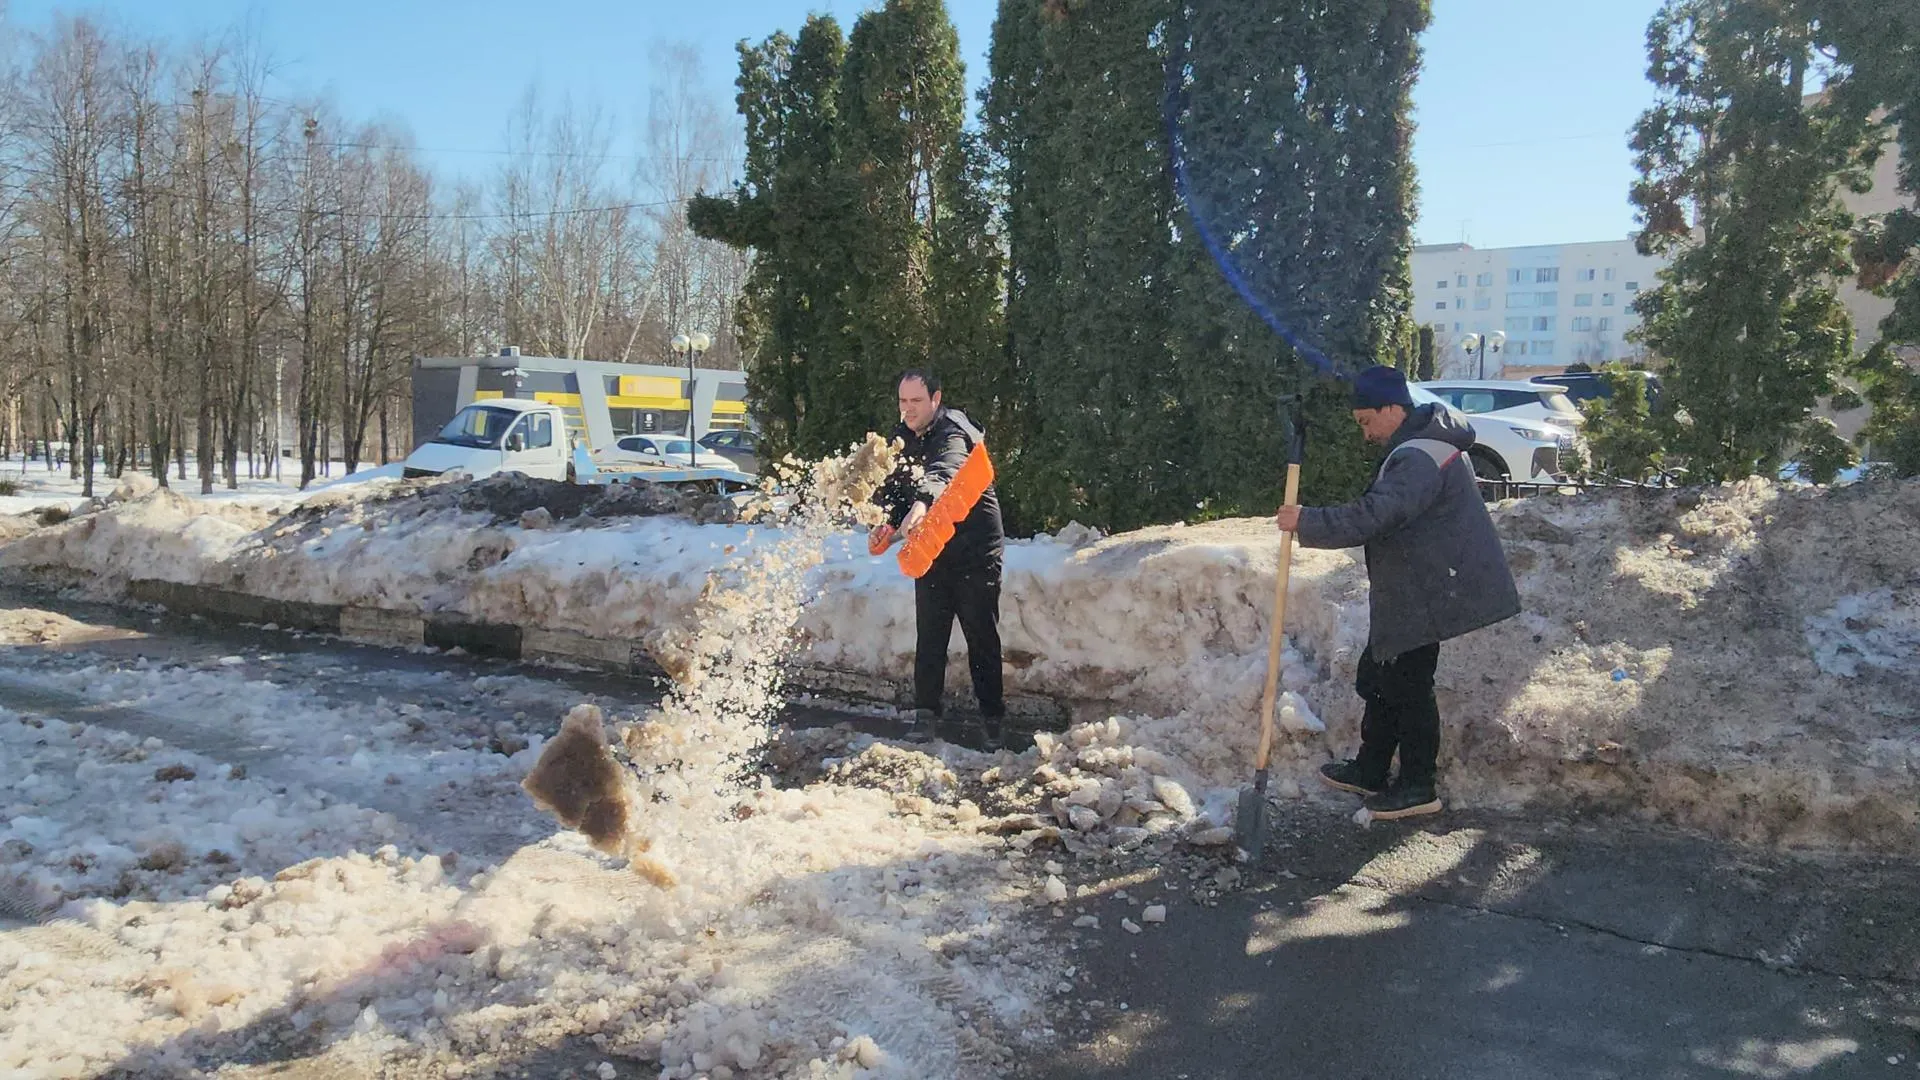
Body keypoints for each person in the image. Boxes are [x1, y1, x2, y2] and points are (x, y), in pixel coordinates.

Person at [1274, 365, 1520, 820]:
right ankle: (1371, 768)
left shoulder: (1421, 454)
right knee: (1380, 674)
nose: (1366, 434)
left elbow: (1377, 514)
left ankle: (1418, 786)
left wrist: (1307, 521)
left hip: (1427, 586)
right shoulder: (1422, 444)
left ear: (1392, 408)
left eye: (1367, 421)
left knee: (1407, 685)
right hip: (1415, 582)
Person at [872, 370, 1008, 746]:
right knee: (930, 635)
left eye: (916, 401)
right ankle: (926, 714)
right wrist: (885, 521)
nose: (908, 409)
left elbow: (943, 471)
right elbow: (892, 487)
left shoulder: (954, 431)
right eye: (903, 401)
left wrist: (921, 505)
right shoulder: (902, 437)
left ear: (936, 399)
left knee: (981, 636)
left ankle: (992, 718)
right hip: (933, 549)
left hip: (975, 550)